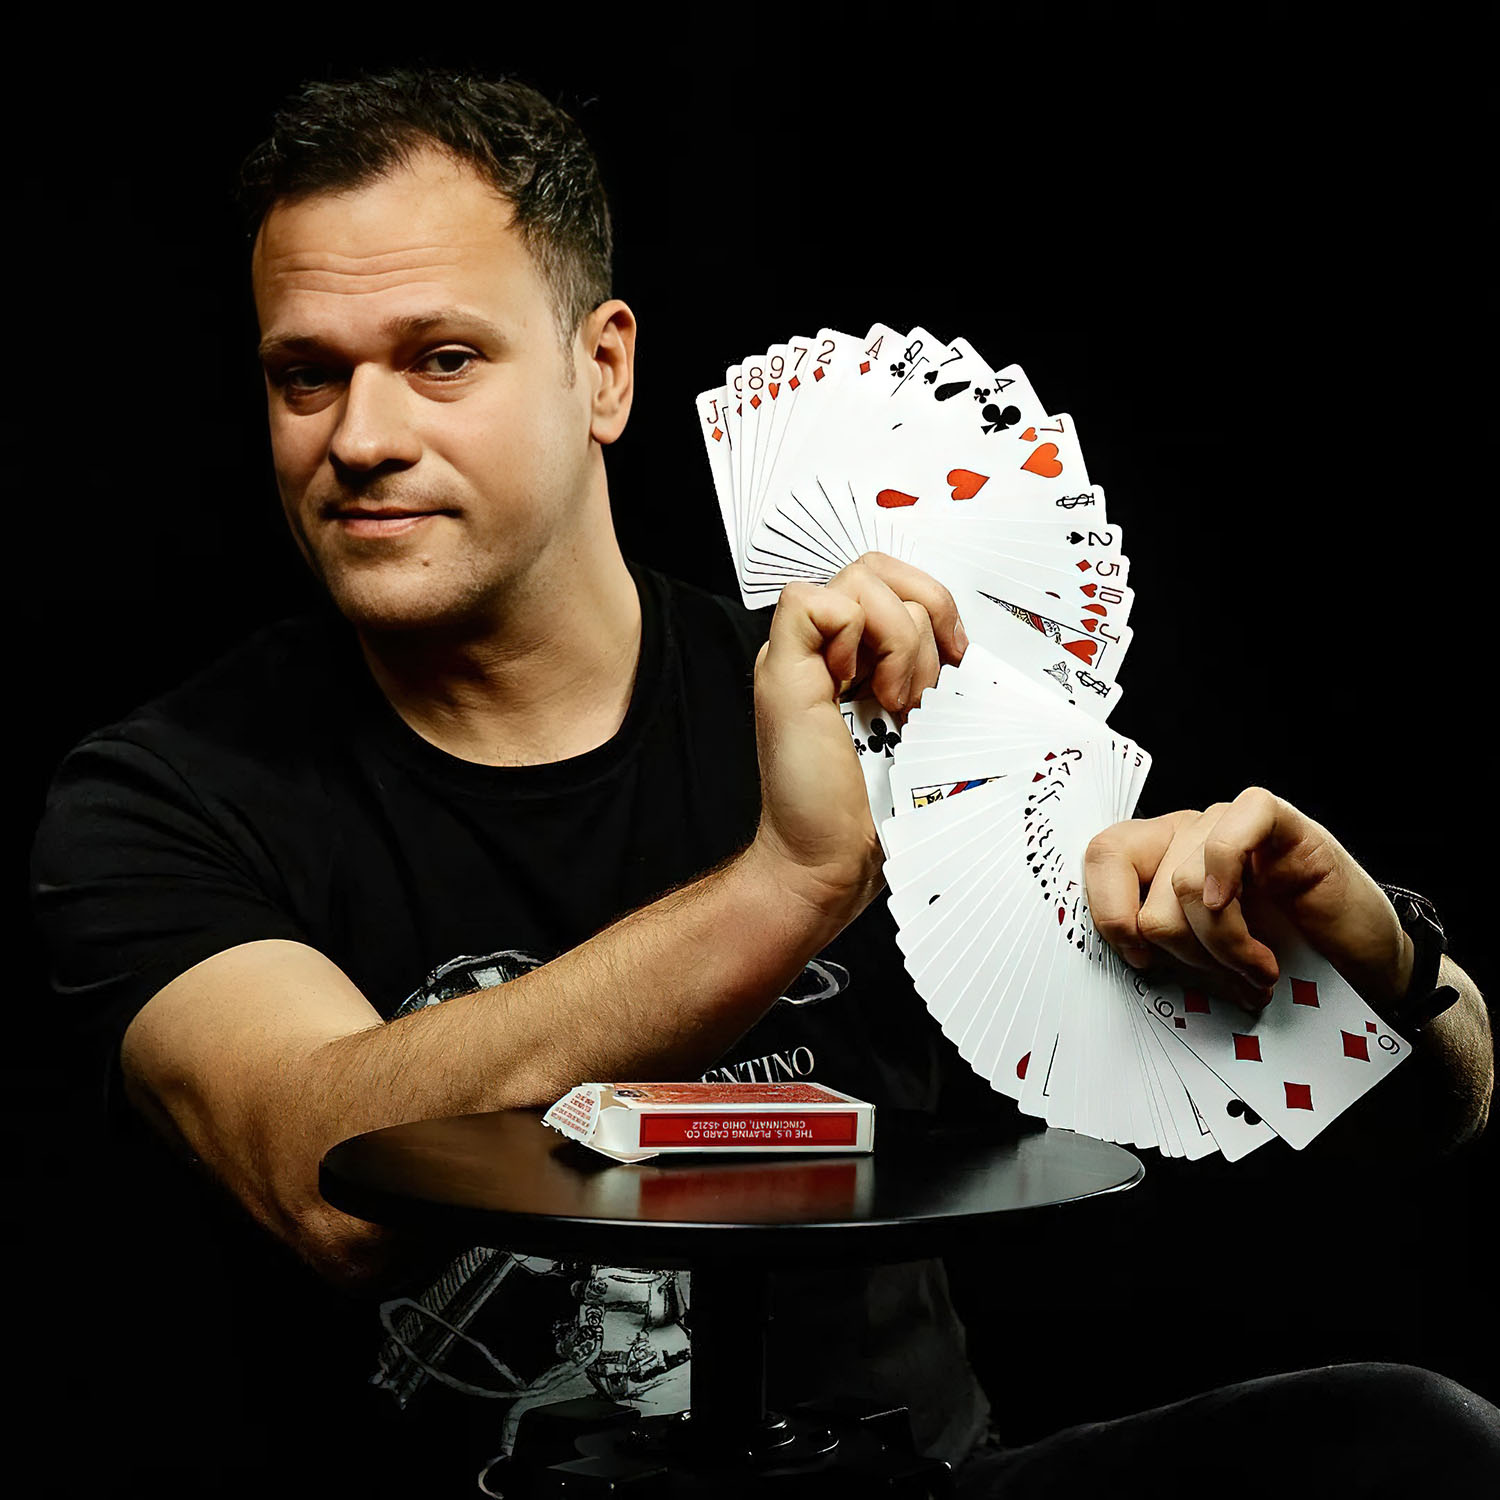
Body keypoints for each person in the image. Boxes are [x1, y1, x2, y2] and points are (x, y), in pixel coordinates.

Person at [31, 69, 1499, 1497]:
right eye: (307, 375)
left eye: (444, 359)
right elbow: (323, 1178)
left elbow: (1433, 1105)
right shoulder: (164, 797)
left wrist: (1371, 955)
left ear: (603, 371)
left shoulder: (879, 698)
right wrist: (787, 889)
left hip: (915, 1491)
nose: (360, 438)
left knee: (1413, 1438)